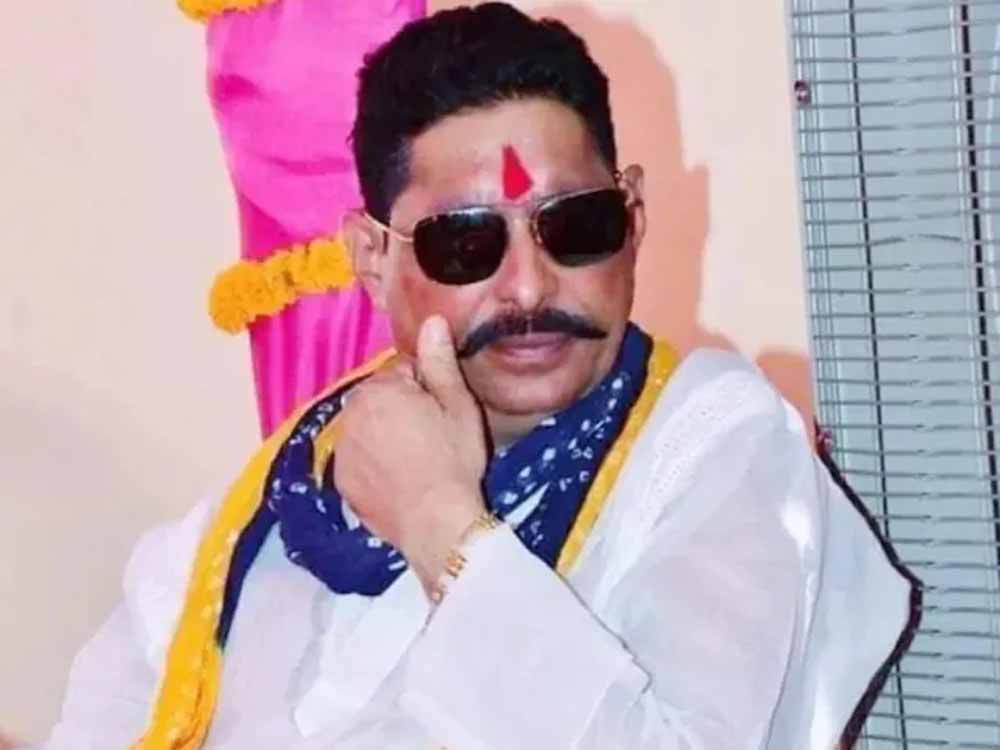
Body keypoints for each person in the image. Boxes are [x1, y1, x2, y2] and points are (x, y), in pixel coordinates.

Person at [39, 4, 915, 749]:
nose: (529, 288)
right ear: (371, 258)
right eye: (465, 243)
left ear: (634, 218)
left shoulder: (711, 446)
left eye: (576, 226)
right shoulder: (269, 509)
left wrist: (439, 525)